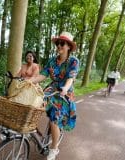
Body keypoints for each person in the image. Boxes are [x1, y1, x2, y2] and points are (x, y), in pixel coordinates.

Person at [29, 31, 79, 160]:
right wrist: (28, 81)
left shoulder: (73, 61)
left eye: (62, 43)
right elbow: (43, 75)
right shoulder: (52, 60)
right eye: (58, 43)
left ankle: (54, 148)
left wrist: (66, 88)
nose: (59, 46)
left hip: (64, 92)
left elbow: (71, 78)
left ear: (68, 46)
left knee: (54, 119)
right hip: (52, 87)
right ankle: (29, 129)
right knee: (33, 102)